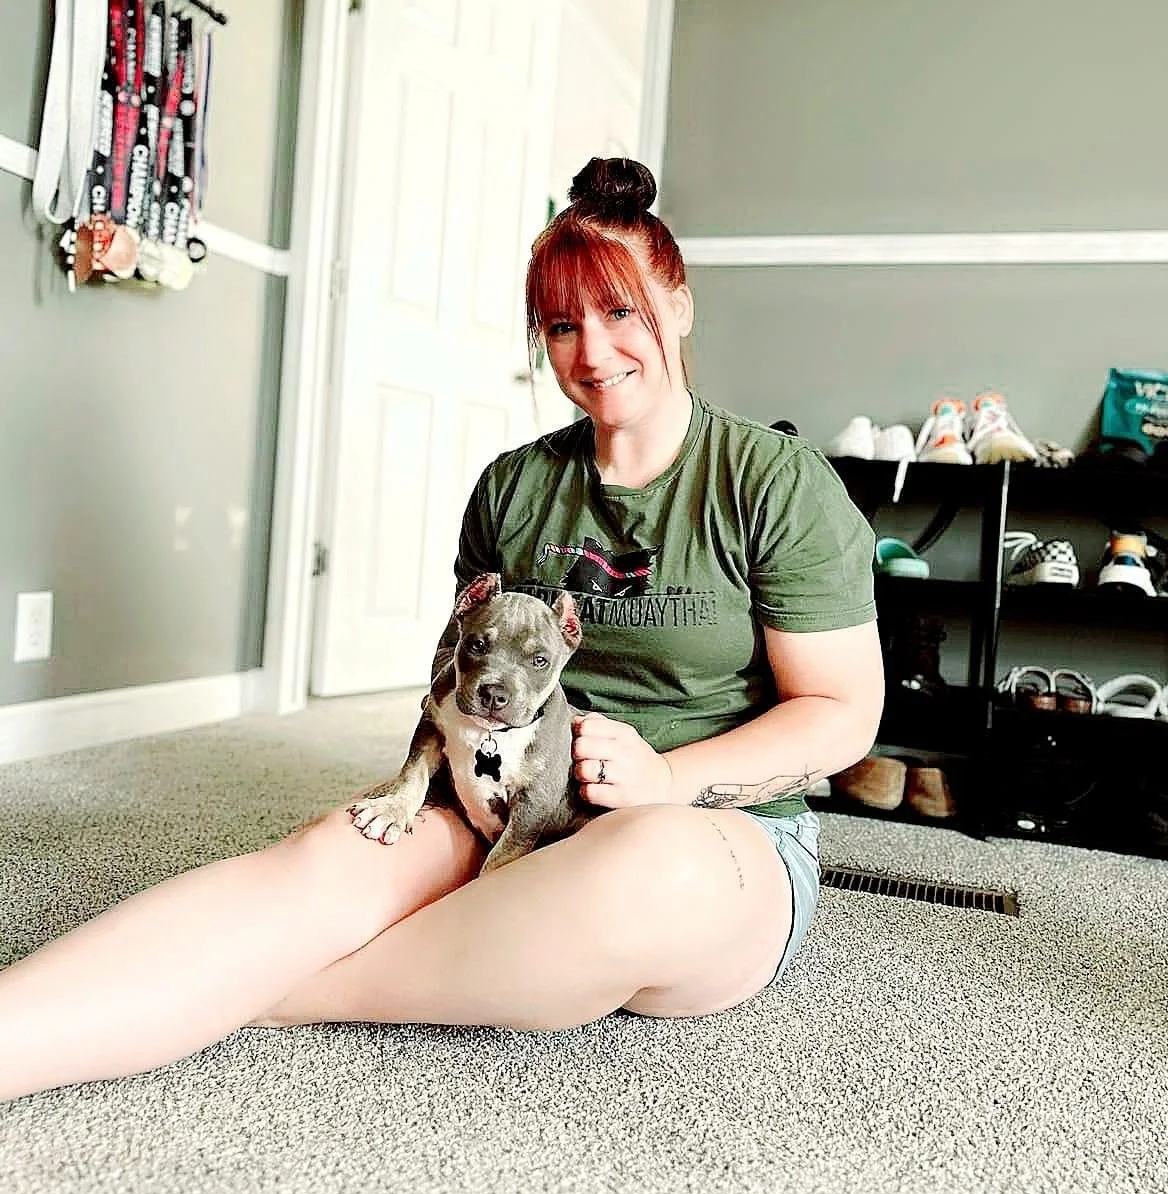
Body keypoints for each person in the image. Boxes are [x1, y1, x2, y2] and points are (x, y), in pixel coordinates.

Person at [0, 157, 882, 1103]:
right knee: (321, 867)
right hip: (501, 806)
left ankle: (265, 993)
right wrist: (433, 783)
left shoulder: (772, 481)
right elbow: (455, 674)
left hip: (711, 835)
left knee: (642, 871)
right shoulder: (514, 486)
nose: (592, 352)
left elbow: (841, 714)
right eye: (562, 326)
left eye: (621, 312)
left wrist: (668, 780)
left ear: (680, 304)